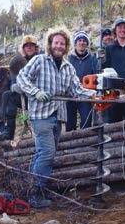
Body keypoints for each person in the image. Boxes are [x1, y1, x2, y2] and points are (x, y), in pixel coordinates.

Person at [16, 28, 96, 208]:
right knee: (47, 153)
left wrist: (96, 94)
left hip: (58, 116)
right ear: (50, 44)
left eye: (62, 43)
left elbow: (76, 90)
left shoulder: (68, 67)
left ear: (66, 46)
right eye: (56, 42)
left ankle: (28, 189)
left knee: (41, 153)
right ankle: (36, 195)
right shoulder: (39, 60)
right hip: (41, 116)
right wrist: (35, 92)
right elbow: (22, 78)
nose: (59, 46)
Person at [0, 35, 40, 140]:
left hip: (38, 96)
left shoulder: (40, 59)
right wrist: (14, 87)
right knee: (7, 96)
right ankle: (7, 132)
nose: (29, 48)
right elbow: (13, 80)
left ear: (36, 47)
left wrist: (25, 86)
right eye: (26, 46)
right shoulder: (18, 61)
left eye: (31, 45)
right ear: (23, 49)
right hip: (24, 97)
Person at [102, 18, 125, 123]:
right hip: (113, 91)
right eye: (120, 27)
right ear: (115, 31)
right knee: (113, 122)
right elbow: (104, 69)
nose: (122, 30)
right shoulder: (109, 49)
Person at [67, 31, 99, 131]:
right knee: (69, 123)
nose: (82, 43)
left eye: (84, 41)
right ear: (75, 43)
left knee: (86, 122)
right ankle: (69, 144)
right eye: (79, 40)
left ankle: (85, 143)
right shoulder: (68, 59)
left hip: (86, 96)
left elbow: (97, 76)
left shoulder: (93, 59)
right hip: (70, 96)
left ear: (87, 44)